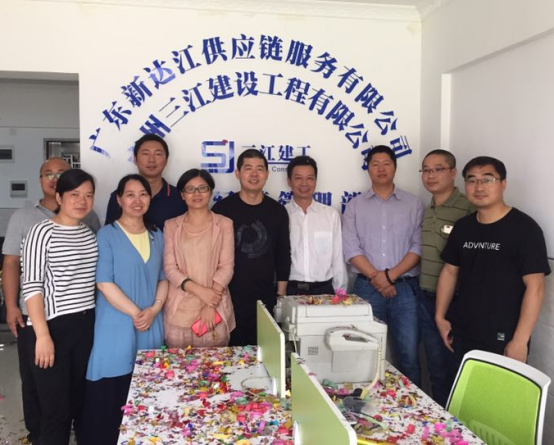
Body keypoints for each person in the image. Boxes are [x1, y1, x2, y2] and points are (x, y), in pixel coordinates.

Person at [1, 157, 100, 444]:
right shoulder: (40, 232)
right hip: (50, 327)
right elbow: (32, 286)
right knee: (55, 411)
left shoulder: (88, 233)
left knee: (78, 402)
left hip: (84, 325)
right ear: (59, 197)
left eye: (88, 195)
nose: (82, 201)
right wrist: (42, 335)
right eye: (74, 195)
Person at [436, 156, 550, 371]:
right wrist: (440, 317)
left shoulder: (525, 229)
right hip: (462, 330)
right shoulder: (463, 227)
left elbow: (535, 288)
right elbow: (450, 272)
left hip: (504, 336)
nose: (478, 187)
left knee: (498, 391)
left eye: (487, 180)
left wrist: (520, 340)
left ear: (503, 184)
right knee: (462, 388)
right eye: (471, 180)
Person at [82, 174, 168, 444]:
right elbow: (104, 282)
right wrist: (136, 313)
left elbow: (163, 279)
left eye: (143, 194)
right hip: (116, 324)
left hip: (151, 322)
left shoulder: (157, 235)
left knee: (147, 391)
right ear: (119, 199)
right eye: (130, 194)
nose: (137, 200)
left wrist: (153, 310)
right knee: (112, 390)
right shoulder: (107, 234)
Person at [342, 145, 425, 385]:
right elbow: (351, 249)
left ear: (395, 167)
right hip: (366, 289)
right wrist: (378, 278)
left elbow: (418, 246)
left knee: (408, 356)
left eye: (386, 163)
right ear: (367, 169)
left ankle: (411, 405)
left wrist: (389, 277)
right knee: (365, 355)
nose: (381, 168)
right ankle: (367, 404)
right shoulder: (355, 205)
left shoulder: (414, 204)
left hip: (405, 289)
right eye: (375, 164)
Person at [212, 149, 291, 346]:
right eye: (248, 168)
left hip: (265, 299)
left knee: (265, 355)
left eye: (259, 169)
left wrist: (280, 297)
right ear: (237, 173)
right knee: (229, 355)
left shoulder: (277, 211)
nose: (254, 174)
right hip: (228, 297)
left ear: (267, 174)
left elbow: (283, 255)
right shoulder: (222, 210)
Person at [419, 149, 474, 407]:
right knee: (436, 368)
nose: (431, 175)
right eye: (426, 170)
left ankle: (458, 423)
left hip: (455, 304)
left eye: (438, 169)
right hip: (425, 298)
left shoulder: (468, 209)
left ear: (453, 172)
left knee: (456, 369)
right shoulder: (427, 209)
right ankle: (441, 423)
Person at [163, 169, 235, 347]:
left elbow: (226, 267)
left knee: (215, 363)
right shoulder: (171, 226)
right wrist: (202, 292)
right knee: (178, 363)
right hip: (180, 312)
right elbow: (170, 268)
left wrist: (210, 305)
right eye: (190, 189)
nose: (197, 193)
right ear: (182, 195)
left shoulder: (224, 224)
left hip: (214, 311)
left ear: (210, 192)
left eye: (202, 188)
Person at [285, 155, 347, 295]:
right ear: (289, 181)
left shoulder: (330, 215)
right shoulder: (281, 215)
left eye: (309, 178)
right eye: (298, 178)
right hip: (290, 290)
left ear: (316, 181)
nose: (304, 184)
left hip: (324, 290)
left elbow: (337, 259)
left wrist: (340, 292)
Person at [105, 134, 186, 230]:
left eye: (158, 154)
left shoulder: (179, 198)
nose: (151, 160)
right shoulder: (120, 197)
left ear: (166, 160)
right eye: (145, 154)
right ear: (135, 159)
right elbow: (110, 233)